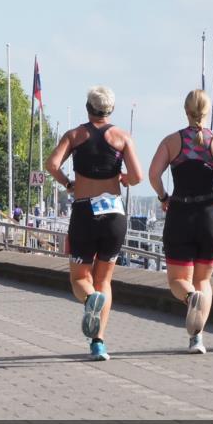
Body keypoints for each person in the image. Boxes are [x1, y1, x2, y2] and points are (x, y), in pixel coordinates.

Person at [45, 86, 143, 361]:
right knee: (104, 281)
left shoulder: (75, 135)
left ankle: (89, 300)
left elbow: (52, 163)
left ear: (87, 108)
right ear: (110, 110)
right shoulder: (122, 136)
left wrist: (68, 183)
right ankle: (98, 342)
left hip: (84, 211)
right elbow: (137, 176)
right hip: (114, 214)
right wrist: (122, 178)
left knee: (79, 278)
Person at [148, 89, 213, 354]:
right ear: (207, 111)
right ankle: (196, 339)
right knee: (204, 281)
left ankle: (190, 298)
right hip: (211, 215)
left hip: (181, 213)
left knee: (178, 280)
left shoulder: (171, 142)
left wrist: (164, 196)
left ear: (185, 111)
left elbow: (154, 174)